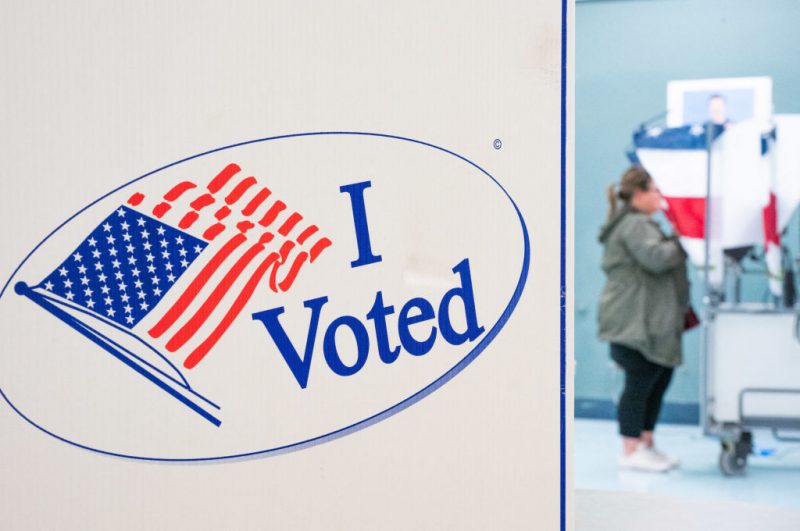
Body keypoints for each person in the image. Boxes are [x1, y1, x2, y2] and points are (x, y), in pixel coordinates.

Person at [597, 165, 690, 473]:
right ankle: (630, 448)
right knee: (639, 384)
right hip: (631, 323)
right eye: (655, 190)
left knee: (657, 379)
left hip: (648, 322)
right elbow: (656, 258)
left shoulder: (644, 223)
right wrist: (681, 239)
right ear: (638, 195)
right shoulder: (634, 225)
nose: (660, 196)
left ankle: (647, 443)